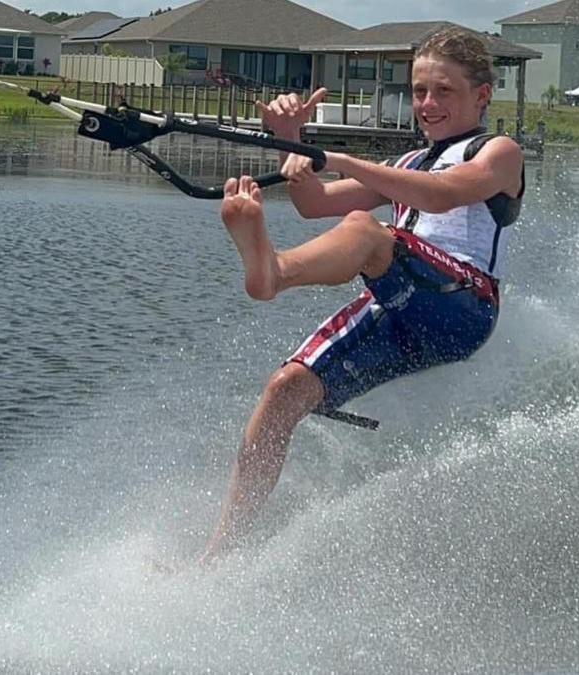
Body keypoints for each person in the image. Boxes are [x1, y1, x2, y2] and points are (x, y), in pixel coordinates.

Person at [200, 28, 525, 564]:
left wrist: (344, 159)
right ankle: (217, 558)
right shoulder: (408, 163)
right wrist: (290, 139)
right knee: (283, 391)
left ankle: (274, 272)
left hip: (463, 309)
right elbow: (313, 203)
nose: (426, 103)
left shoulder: (499, 153)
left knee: (368, 233)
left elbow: (443, 195)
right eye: (419, 91)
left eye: (442, 91)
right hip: (398, 309)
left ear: (482, 96)